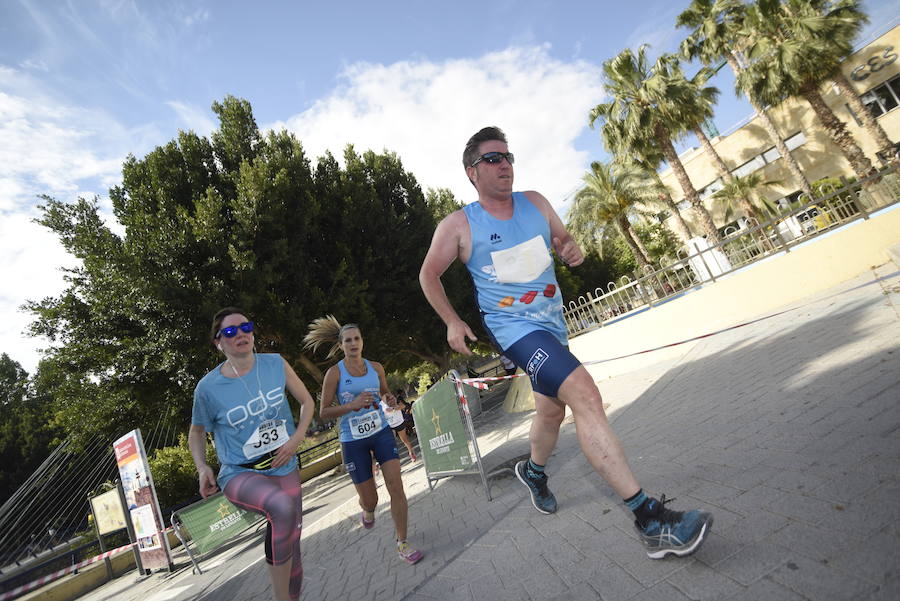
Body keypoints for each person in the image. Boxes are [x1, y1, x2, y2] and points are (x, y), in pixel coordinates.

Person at [418, 126, 713, 559]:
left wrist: (570, 249)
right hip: (514, 330)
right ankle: (650, 519)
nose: (505, 165)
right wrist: (452, 321)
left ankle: (534, 472)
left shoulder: (536, 203)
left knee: (551, 412)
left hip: (552, 325)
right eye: (493, 159)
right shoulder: (459, 224)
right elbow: (428, 275)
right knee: (585, 396)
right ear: (472, 173)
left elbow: (563, 241)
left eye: (508, 156)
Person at [189, 307, 314, 601]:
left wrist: (296, 439)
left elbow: (308, 402)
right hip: (240, 472)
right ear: (218, 343)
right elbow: (196, 432)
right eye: (230, 332)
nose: (240, 334)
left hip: (283, 465)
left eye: (246, 327)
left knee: (292, 545)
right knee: (281, 509)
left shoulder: (275, 364)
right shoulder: (207, 388)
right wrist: (201, 467)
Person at [303, 316, 423, 564]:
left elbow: (384, 392)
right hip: (353, 440)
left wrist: (389, 398)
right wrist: (352, 405)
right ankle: (367, 510)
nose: (353, 343)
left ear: (362, 341)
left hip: (380, 433)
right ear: (341, 345)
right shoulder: (334, 373)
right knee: (372, 499)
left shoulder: (376, 367)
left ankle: (402, 542)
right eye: (348, 340)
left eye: (357, 338)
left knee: (396, 486)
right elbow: (324, 411)